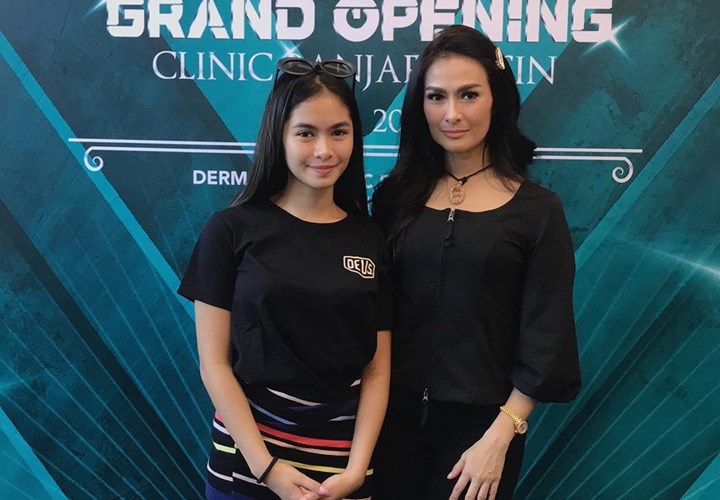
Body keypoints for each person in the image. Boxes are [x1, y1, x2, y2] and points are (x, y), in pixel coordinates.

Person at [371, 25, 581, 500]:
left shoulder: (537, 210)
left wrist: (500, 437)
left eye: (468, 94)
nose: (452, 114)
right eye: (436, 97)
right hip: (388, 425)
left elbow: (546, 337)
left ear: (497, 99)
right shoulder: (393, 199)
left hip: (482, 437)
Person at [179, 57, 391, 500]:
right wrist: (267, 469)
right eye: (306, 133)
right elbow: (214, 364)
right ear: (279, 135)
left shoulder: (372, 239)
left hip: (341, 468)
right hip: (248, 461)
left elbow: (376, 370)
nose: (324, 150)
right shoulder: (230, 230)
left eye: (339, 132)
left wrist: (357, 471)